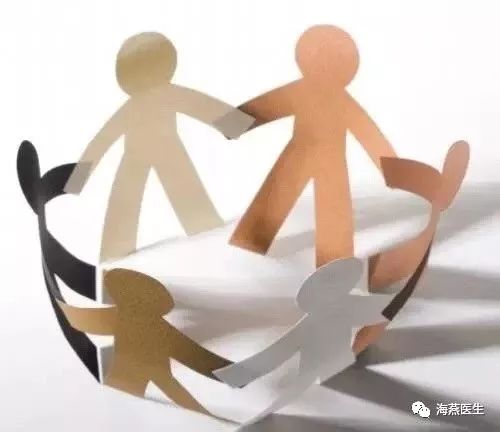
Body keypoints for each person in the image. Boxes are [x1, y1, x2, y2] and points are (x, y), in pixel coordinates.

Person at [65, 32, 254, 262]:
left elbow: (102, 141)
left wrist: (77, 180)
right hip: (150, 154)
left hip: (152, 154)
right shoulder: (157, 98)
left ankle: (117, 251)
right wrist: (238, 124)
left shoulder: (150, 100)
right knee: (137, 200)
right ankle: (116, 253)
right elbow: (102, 141)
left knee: (140, 199)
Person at [229, 25, 397, 267]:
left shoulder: (314, 92)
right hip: (313, 155)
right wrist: (391, 169)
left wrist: (231, 123)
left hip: (314, 156)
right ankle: (255, 241)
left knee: (298, 200)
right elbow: (368, 132)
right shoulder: (327, 96)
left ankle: (328, 257)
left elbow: (367, 132)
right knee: (288, 199)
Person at [215, 257, 390, 424]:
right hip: (329, 370)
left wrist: (238, 375)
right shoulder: (331, 312)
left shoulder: (345, 306)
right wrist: (237, 375)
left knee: (298, 390)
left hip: (336, 370)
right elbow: (279, 351)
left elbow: (279, 351)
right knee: (298, 390)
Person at [59, 268, 232, 418]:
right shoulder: (151, 327)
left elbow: (74, 317)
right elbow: (193, 361)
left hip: (121, 392)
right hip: (124, 394)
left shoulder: (123, 318)